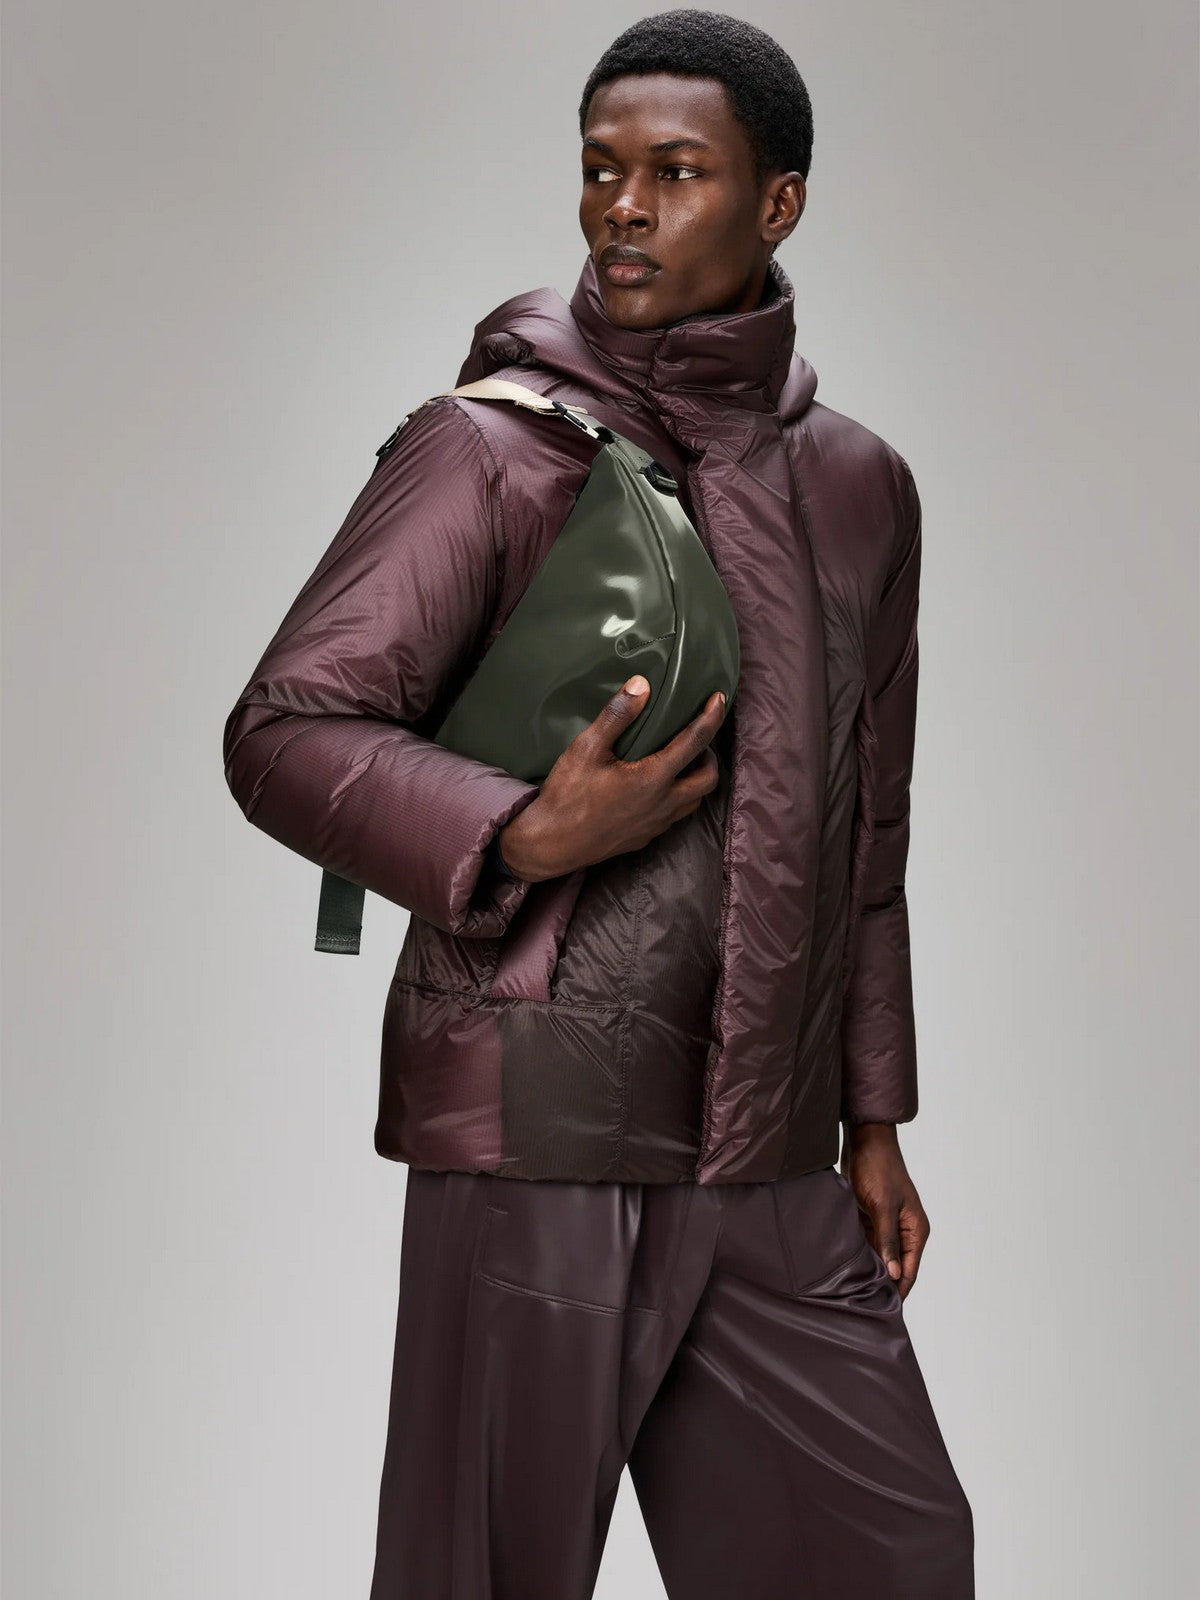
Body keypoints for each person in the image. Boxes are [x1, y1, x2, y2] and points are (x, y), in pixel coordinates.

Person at [222, 9, 975, 1596]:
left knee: (890, 1555)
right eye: (599, 169)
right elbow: (284, 731)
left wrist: (874, 1120)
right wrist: (518, 834)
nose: (622, 207)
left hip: (770, 1155)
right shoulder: (489, 450)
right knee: (487, 1576)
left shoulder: (860, 487)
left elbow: (872, 836)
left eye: (675, 171)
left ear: (778, 202)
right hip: (539, 1135)